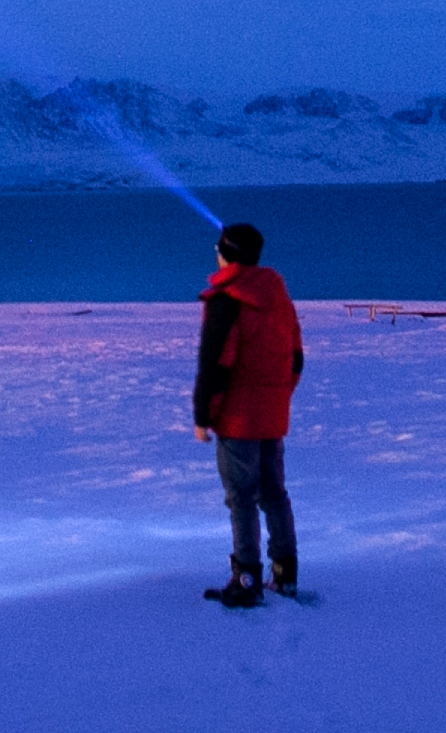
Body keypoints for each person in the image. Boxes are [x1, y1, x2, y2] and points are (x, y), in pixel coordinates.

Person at [192, 219, 303, 605]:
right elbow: (296, 357)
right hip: (272, 417)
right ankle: (285, 574)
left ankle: (246, 581)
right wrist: (277, 398)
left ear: (226, 254)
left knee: (241, 498)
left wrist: (204, 415)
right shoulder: (277, 295)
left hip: (239, 419)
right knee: (274, 493)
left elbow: (215, 364)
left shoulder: (227, 300)